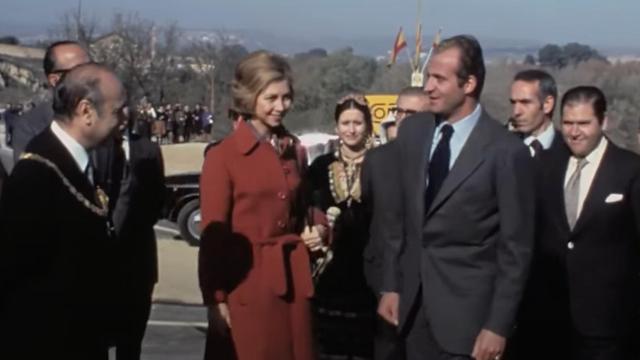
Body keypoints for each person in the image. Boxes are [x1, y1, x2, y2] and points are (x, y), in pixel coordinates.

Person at [377, 35, 535, 360]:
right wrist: (391, 285)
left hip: (469, 323)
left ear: (469, 84)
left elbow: (516, 248)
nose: (428, 87)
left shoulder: (506, 152)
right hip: (411, 312)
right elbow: (398, 220)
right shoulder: (413, 132)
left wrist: (498, 325)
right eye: (429, 76)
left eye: (439, 79)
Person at [198, 50, 326, 360]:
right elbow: (212, 235)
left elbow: (304, 208)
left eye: (286, 97)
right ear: (249, 97)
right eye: (271, 98)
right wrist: (216, 300)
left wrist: (321, 228)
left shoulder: (293, 150)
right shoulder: (222, 156)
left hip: (293, 286)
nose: (281, 106)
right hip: (247, 288)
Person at [0, 63, 126, 359]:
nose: (124, 119)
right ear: (86, 111)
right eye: (118, 110)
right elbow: (17, 281)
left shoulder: (76, 163)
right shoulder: (37, 175)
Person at [525, 86, 640, 360]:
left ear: (604, 121)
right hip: (550, 320)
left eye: (583, 123)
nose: (574, 132)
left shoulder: (630, 169)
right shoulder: (544, 165)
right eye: (568, 123)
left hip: (609, 325)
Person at [93, 105, 166, 360]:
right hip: (98, 260)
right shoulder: (91, 148)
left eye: (126, 108)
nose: (122, 115)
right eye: (115, 108)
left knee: (131, 341)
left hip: (138, 258)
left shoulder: (148, 150)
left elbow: (158, 198)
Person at [361, 86, 429, 360]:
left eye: (410, 113)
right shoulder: (377, 160)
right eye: (398, 111)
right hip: (382, 278)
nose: (401, 119)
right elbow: (370, 214)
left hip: (428, 282)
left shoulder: (439, 159)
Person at [307, 93, 376, 359]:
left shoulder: (380, 163)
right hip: (328, 269)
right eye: (345, 123)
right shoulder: (320, 166)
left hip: (368, 270)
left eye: (357, 123)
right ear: (336, 126)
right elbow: (305, 208)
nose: (351, 129)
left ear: (367, 125)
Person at [11, 40, 91, 161]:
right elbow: (28, 177)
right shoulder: (30, 128)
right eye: (81, 70)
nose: (92, 75)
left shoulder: (101, 119)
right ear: (55, 80)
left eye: (92, 68)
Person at [509, 69, 564, 157]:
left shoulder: (568, 150)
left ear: (547, 104)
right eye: (513, 103)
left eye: (525, 102)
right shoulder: (500, 145)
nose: (516, 111)